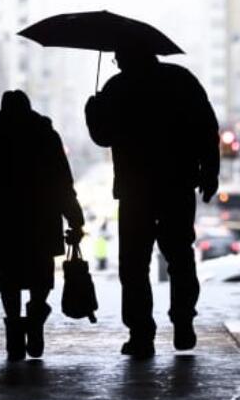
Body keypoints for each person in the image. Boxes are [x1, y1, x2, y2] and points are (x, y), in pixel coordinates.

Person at [85, 46, 219, 358]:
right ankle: (183, 321)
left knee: (134, 264)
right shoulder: (182, 80)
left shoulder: (118, 87)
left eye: (118, 58)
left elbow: (103, 137)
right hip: (178, 185)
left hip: (136, 190)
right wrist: (209, 173)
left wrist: (92, 111)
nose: (117, 63)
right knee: (180, 257)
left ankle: (141, 333)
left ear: (126, 58)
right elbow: (207, 129)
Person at [0, 90, 85, 361]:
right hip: (42, 218)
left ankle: (14, 334)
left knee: (7, 280)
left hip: (3, 220)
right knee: (40, 277)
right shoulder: (47, 139)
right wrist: (74, 218)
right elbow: (63, 184)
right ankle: (35, 320)